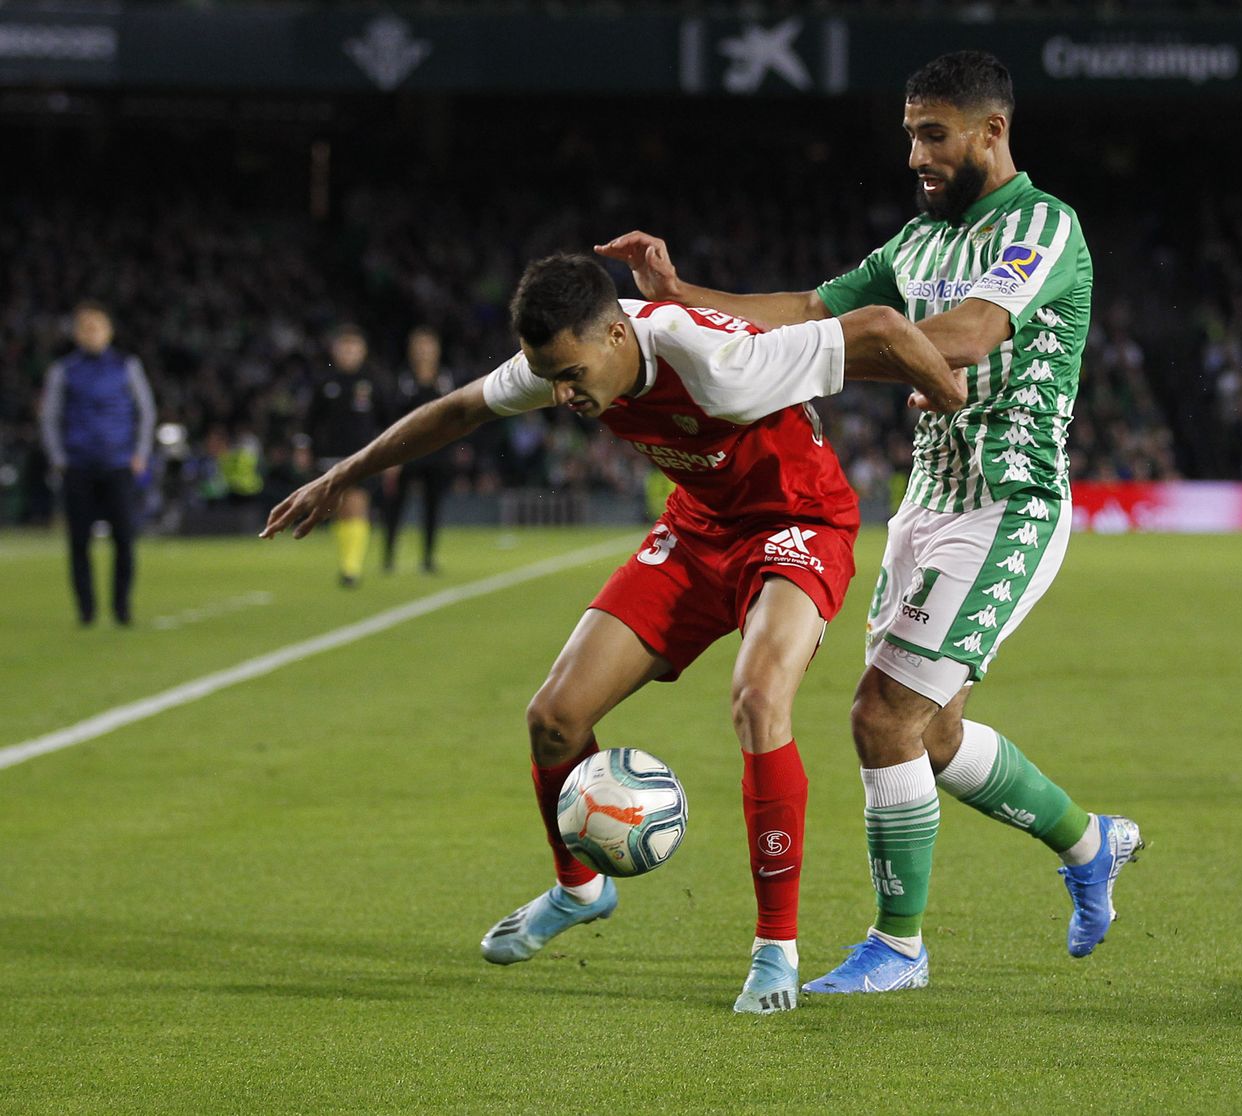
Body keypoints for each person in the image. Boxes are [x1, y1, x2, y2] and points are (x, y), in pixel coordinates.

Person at [262, 253, 961, 1013]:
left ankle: (775, 950)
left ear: (617, 335)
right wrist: (343, 476)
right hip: (697, 530)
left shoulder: (722, 363)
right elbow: (460, 409)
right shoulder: (568, 355)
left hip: (798, 524)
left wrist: (945, 390)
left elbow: (880, 326)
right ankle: (579, 888)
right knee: (553, 719)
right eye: (547, 377)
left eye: (569, 375)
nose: (560, 395)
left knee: (758, 701)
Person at [597, 50, 1142, 994]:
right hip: (925, 508)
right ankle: (1090, 842)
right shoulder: (916, 243)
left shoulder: (1044, 228)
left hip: (1008, 504)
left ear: (992, 131)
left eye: (935, 135)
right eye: (910, 137)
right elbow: (810, 311)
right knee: (928, 736)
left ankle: (900, 948)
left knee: (881, 715)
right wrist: (683, 302)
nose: (917, 157)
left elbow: (968, 337)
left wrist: (855, 350)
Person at [39, 301, 156, 627]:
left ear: (109, 332)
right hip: (78, 465)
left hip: (118, 464)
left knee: (125, 540)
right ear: (77, 335)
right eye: (85, 329)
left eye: (97, 327)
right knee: (78, 541)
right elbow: (50, 417)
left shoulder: (126, 365)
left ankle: (121, 607)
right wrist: (59, 459)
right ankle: (86, 611)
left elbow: (145, 412)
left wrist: (140, 454)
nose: (91, 334)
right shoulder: (64, 370)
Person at [304, 323, 386, 587]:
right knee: (338, 510)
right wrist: (304, 447)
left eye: (354, 347)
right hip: (329, 456)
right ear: (335, 350)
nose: (349, 352)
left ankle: (351, 569)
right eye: (344, 347)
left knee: (357, 504)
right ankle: (347, 563)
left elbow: (388, 419)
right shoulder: (325, 381)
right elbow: (310, 420)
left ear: (363, 350)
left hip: (362, 455)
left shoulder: (372, 381)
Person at [381, 327, 454, 574]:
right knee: (396, 505)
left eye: (429, 346)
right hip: (407, 451)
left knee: (433, 506)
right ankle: (389, 555)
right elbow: (394, 418)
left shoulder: (445, 378)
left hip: (437, 452)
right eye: (419, 346)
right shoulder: (403, 380)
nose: (424, 352)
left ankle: (428, 557)